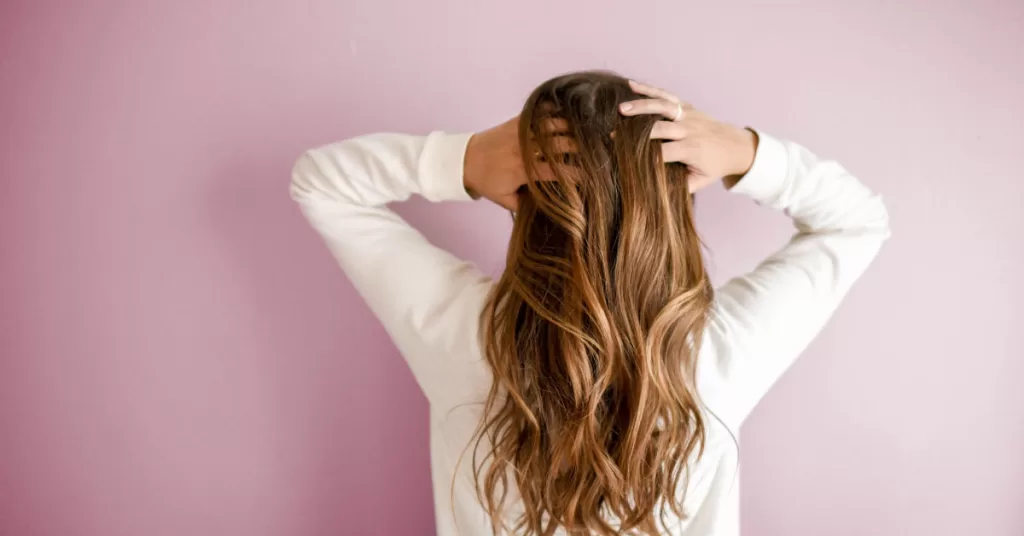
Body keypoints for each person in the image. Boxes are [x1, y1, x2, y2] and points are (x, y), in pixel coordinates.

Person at [290, 72, 890, 536]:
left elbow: (320, 182)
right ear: (670, 206)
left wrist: (465, 159)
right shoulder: (717, 353)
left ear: (524, 196)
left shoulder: (467, 336)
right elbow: (857, 222)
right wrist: (743, 152)